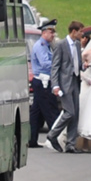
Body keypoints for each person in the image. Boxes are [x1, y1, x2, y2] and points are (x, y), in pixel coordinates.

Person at [46, 21, 88, 153]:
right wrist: (55, 85)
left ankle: (70, 143)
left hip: (75, 81)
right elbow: (55, 66)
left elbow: (77, 63)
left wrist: (83, 66)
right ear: (74, 31)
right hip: (64, 84)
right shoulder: (61, 45)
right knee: (69, 112)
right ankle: (53, 135)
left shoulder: (76, 44)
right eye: (81, 31)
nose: (82, 34)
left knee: (75, 114)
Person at [28, 21, 60, 149]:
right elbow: (45, 63)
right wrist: (59, 65)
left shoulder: (46, 45)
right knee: (51, 110)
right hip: (43, 82)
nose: (53, 35)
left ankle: (32, 139)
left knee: (36, 112)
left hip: (41, 81)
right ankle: (56, 138)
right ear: (44, 32)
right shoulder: (41, 46)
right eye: (51, 32)